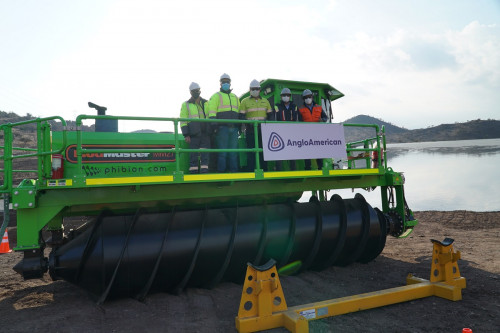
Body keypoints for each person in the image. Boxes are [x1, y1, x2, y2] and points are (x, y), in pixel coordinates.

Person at [207, 73, 241, 173]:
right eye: (224, 82)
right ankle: (221, 173)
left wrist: (239, 126)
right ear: (220, 83)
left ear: (230, 83)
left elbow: (239, 113)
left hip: (234, 128)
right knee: (222, 152)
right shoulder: (216, 96)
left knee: (233, 152)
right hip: (222, 128)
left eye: (227, 81)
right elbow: (211, 112)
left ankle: (233, 172)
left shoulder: (235, 97)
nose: (225, 83)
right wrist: (214, 127)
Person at [239, 79, 273, 171]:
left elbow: (271, 116)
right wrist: (247, 124)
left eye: (256, 89)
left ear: (260, 90)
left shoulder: (266, 101)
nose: (255, 91)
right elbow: (241, 116)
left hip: (263, 131)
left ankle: (264, 169)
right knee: (251, 151)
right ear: (250, 90)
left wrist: (269, 127)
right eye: (253, 89)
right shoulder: (244, 101)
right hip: (250, 130)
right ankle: (251, 170)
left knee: (263, 151)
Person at [179, 82, 210, 174]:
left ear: (200, 91)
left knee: (205, 153)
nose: (196, 92)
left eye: (197, 90)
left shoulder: (206, 103)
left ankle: (205, 171)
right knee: (193, 154)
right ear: (190, 92)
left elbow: (210, 116)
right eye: (194, 91)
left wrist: (211, 130)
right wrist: (186, 134)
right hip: (193, 133)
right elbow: (183, 120)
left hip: (205, 132)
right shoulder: (186, 104)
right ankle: (194, 171)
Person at [298, 89, 328, 170]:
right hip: (306, 133)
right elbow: (299, 122)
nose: (308, 98)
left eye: (309, 97)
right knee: (307, 151)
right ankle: (308, 168)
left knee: (318, 150)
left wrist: (322, 120)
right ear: (303, 98)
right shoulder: (300, 109)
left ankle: (320, 167)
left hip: (317, 133)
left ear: (312, 97)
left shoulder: (319, 107)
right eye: (306, 97)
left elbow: (325, 117)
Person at [272, 87, 299, 171]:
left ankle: (293, 170)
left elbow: (297, 119)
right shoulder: (277, 106)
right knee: (279, 151)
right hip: (280, 133)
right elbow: (274, 119)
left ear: (290, 96)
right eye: (284, 95)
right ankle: (279, 170)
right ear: (281, 97)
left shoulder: (294, 107)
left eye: (287, 95)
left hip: (292, 133)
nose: (286, 96)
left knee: (292, 152)